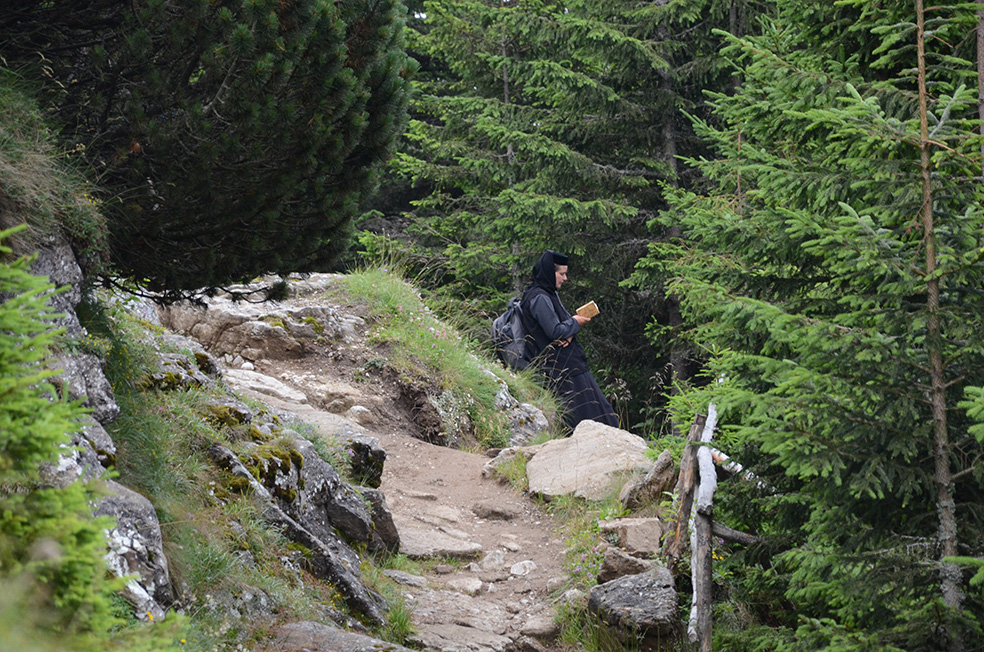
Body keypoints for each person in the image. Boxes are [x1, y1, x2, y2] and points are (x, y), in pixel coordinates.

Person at [520, 249, 619, 432]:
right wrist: (575, 323)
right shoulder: (539, 297)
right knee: (589, 415)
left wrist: (570, 330)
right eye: (562, 274)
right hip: (562, 370)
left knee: (599, 411)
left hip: (570, 366)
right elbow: (556, 331)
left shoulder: (548, 293)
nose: (565, 278)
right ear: (550, 272)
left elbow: (562, 326)